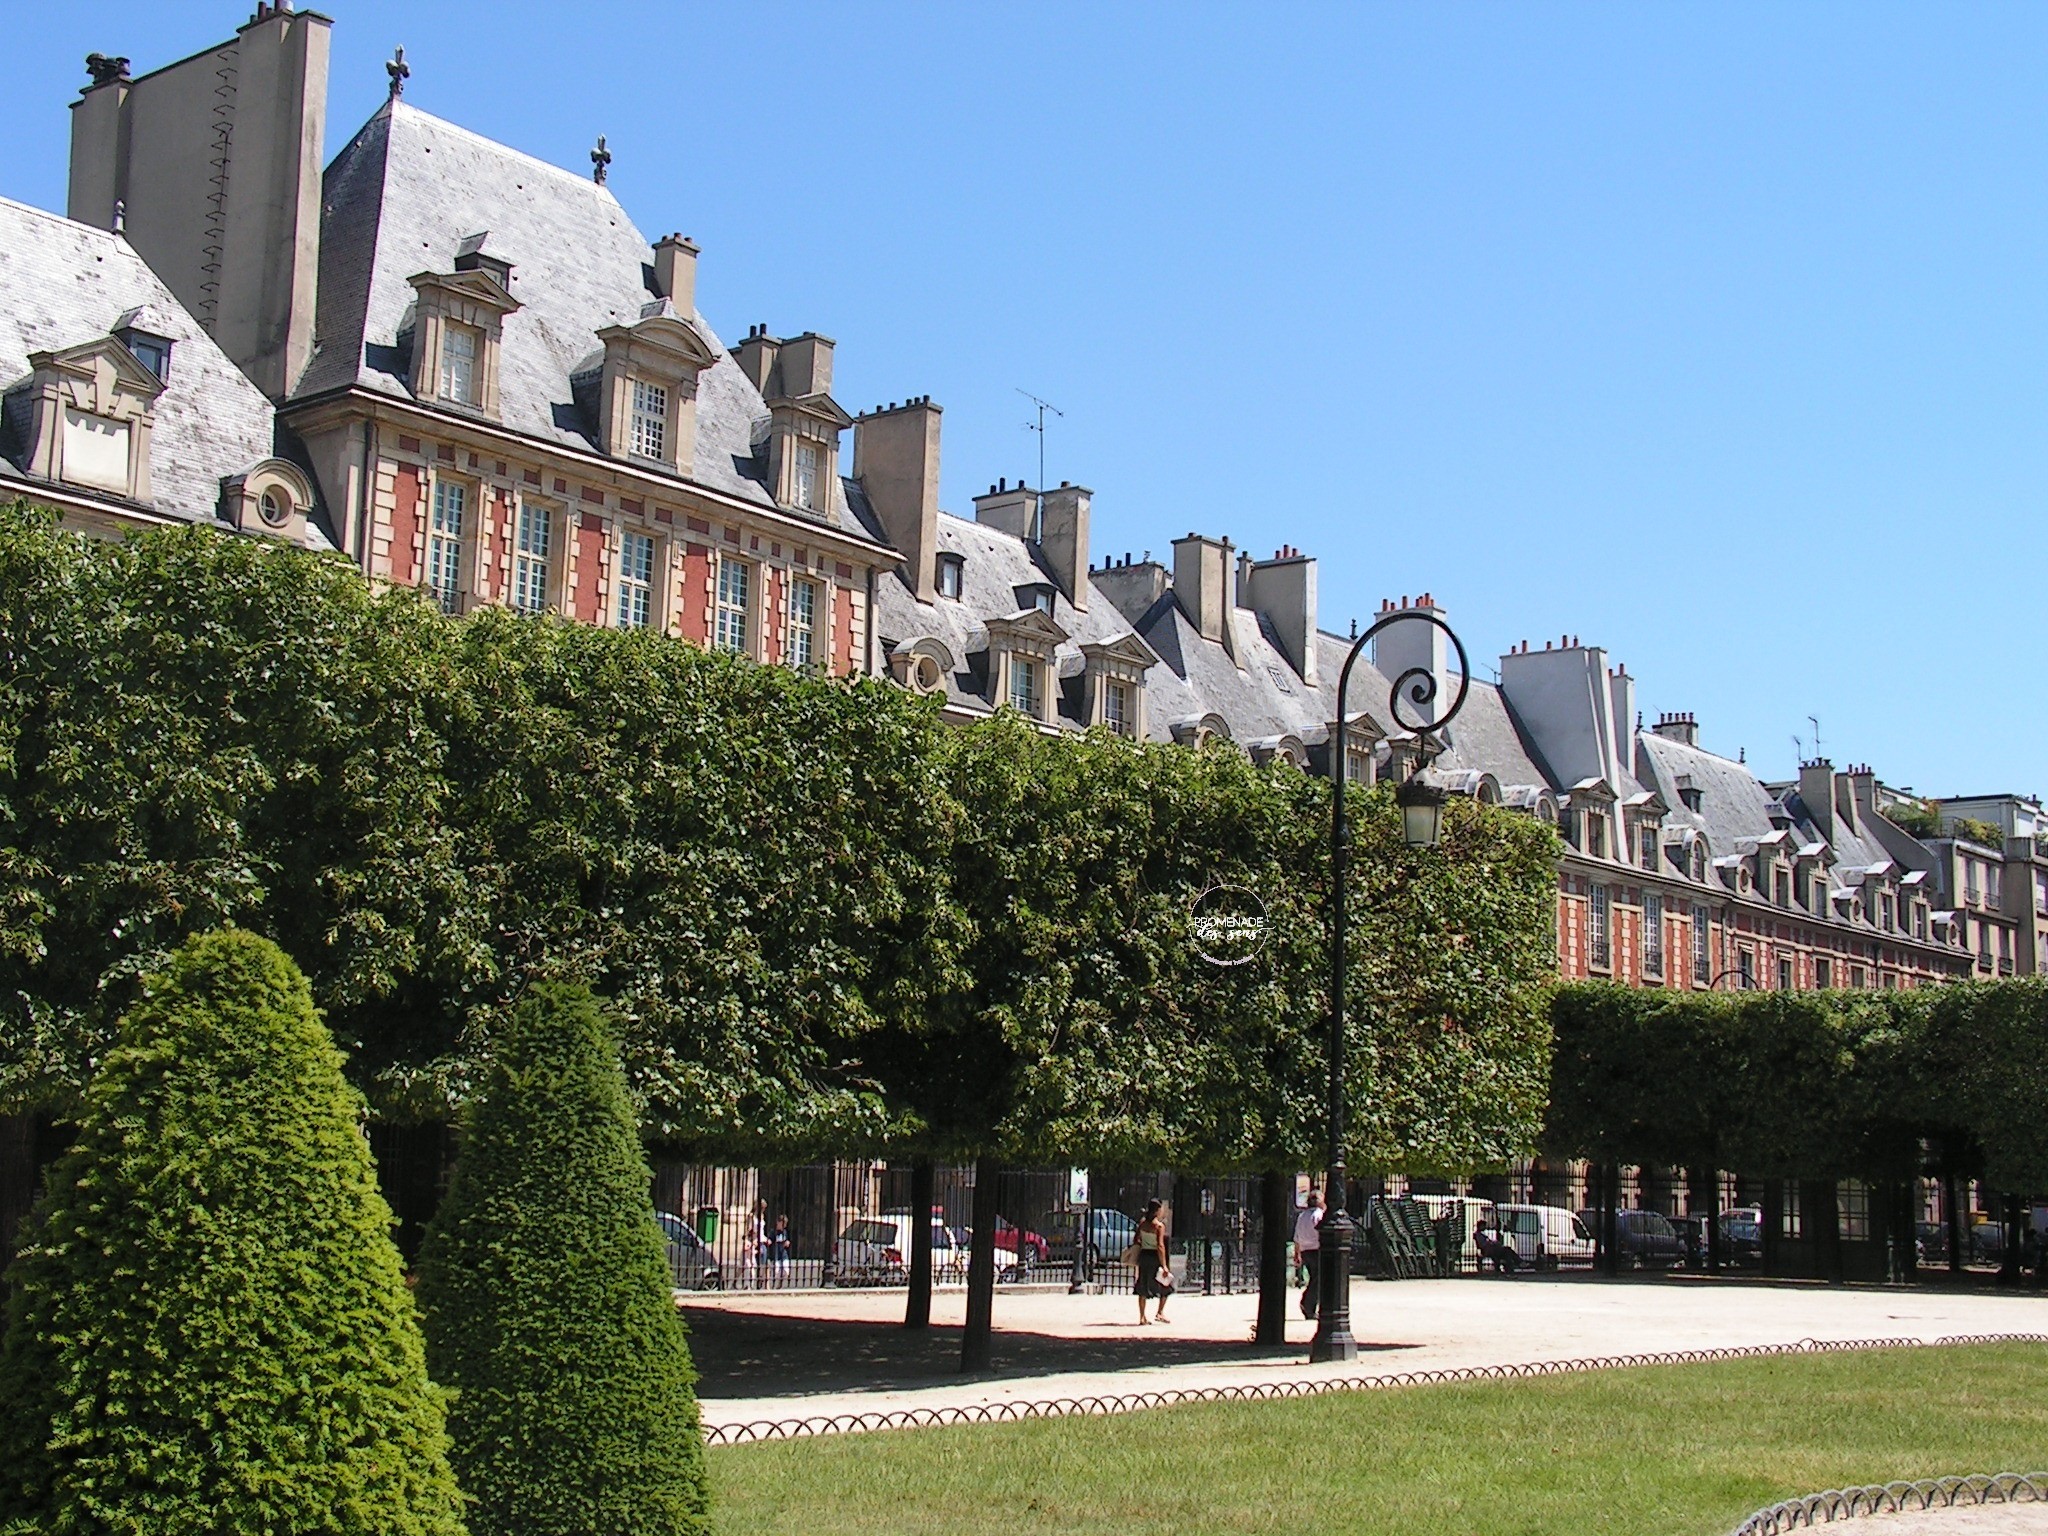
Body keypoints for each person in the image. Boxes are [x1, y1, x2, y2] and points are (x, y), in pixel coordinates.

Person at [1134, 1198, 1172, 1324]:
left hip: (1144, 1255)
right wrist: (1164, 1265)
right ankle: (1160, 1312)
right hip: (1154, 1256)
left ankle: (1142, 1316)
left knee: (1142, 1285)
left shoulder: (1142, 1224)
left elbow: (1136, 1239)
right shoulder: (1159, 1226)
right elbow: (1160, 1246)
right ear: (1157, 1211)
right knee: (1165, 1284)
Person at [1294, 1188, 1323, 1320]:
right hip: (1316, 1249)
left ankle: (1310, 1306)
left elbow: (1297, 1236)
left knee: (1314, 1278)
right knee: (1318, 1280)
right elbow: (1321, 1233)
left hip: (1305, 1250)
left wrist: (1297, 1253)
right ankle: (1308, 1303)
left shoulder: (1302, 1216)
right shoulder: (1318, 1215)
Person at [746, 1198, 768, 1288]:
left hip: (762, 1240)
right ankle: (749, 1283)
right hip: (754, 1241)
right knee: (751, 1264)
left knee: (763, 1263)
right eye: (762, 1208)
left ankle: (762, 1281)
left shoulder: (762, 1216)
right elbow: (749, 1230)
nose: (763, 1210)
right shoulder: (751, 1216)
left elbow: (762, 1230)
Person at [769, 1213, 793, 1284]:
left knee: (786, 1270)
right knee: (776, 1271)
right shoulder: (773, 1232)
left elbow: (787, 1240)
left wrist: (787, 1242)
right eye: (782, 1224)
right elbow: (770, 1240)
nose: (784, 1226)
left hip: (783, 1254)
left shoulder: (785, 1232)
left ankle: (780, 1282)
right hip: (776, 1254)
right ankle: (774, 1284)